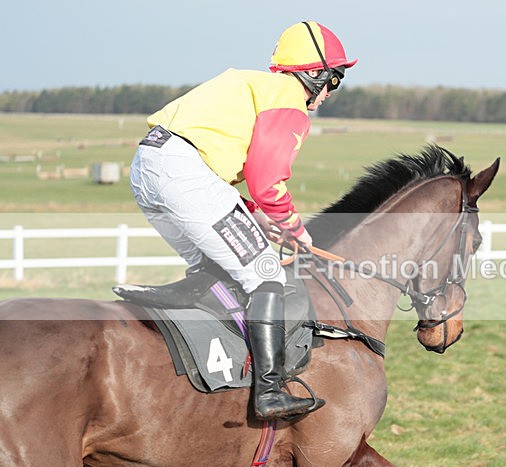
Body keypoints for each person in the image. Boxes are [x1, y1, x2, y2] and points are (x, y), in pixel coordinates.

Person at [126, 21, 356, 420]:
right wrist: (294, 229)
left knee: (213, 267)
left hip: (150, 167)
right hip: (184, 175)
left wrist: (254, 216)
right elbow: (267, 182)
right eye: (334, 80)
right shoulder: (288, 98)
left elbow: (213, 178)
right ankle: (269, 392)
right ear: (316, 74)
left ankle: (192, 307)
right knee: (268, 276)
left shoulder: (254, 86)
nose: (330, 93)